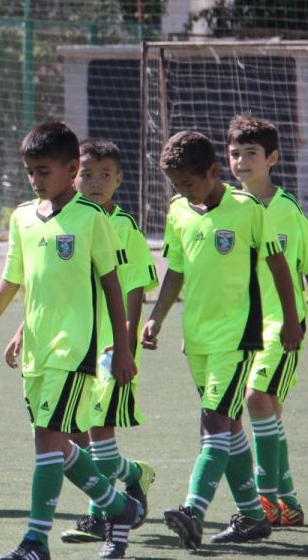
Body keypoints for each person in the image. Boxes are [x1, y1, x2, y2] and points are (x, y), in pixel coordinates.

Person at [0, 122, 142, 560]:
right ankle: (119, 508)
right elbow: (12, 279)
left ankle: (35, 541)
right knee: (59, 447)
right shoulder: (22, 217)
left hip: (74, 348)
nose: (35, 179)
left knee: (48, 441)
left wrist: (123, 346)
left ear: (71, 168)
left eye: (43, 171)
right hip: (37, 351)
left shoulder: (92, 218)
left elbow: (113, 285)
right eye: (30, 171)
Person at [141, 130, 303, 549]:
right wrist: (156, 318)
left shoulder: (248, 209)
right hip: (197, 339)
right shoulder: (179, 211)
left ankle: (193, 511)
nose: (182, 191)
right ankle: (253, 516)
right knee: (228, 427)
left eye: (188, 182)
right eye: (175, 184)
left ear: (213, 172)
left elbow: (279, 267)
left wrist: (291, 320)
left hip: (238, 338)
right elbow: (176, 270)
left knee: (214, 422)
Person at [3, 139, 157, 546]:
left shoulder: (120, 225)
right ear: (75, 174)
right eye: (88, 174)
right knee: (71, 437)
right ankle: (126, 487)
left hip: (104, 348)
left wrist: (125, 343)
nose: (95, 183)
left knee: (94, 435)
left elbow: (132, 286)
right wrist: (21, 330)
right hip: (60, 344)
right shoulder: (53, 219)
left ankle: (100, 515)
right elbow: (49, 289)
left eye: (104, 175)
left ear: (119, 180)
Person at [225, 116, 306, 527]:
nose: (241, 161)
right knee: (268, 409)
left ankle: (264, 499)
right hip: (242, 326)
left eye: (251, 153)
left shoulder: (288, 211)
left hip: (282, 324)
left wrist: (297, 321)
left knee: (256, 397)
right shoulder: (229, 208)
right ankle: (288, 503)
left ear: (272, 158)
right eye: (235, 153)